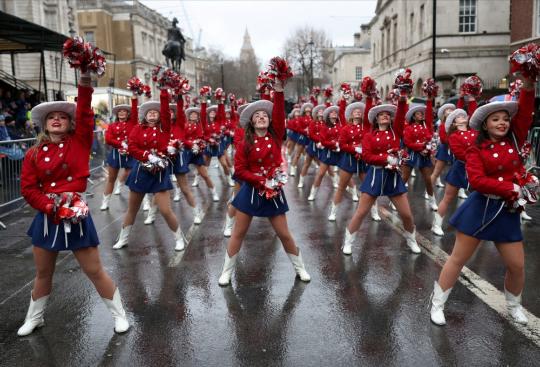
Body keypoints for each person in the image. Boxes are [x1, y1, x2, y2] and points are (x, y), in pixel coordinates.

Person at [18, 71, 129, 336]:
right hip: (48, 216)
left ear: (71, 124)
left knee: (94, 270)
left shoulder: (80, 142)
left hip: (76, 214)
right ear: (44, 125)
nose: (56, 120)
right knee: (43, 273)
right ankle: (35, 318)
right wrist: (48, 206)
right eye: (51, 118)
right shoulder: (33, 153)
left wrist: (86, 80)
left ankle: (119, 315)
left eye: (63, 117)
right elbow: (28, 189)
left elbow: (85, 111)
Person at [430, 76, 535, 326]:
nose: (502, 123)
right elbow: (476, 181)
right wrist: (511, 187)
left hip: (506, 211)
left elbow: (526, 112)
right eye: (496, 119)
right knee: (457, 260)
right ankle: (437, 304)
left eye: (505, 119)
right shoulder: (476, 149)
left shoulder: (514, 140)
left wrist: (529, 83)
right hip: (480, 208)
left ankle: (514, 305)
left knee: (517, 265)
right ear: (485, 125)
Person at [218, 78, 310, 286]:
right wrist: (261, 180)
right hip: (251, 191)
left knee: (284, 234)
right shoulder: (244, 143)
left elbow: (278, 115)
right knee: (238, 234)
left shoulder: (276, 136)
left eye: (264, 116)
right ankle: (226, 272)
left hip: (274, 193)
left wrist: (278, 90)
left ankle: (300, 268)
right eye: (256, 116)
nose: (261, 118)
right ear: (251, 122)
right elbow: (240, 170)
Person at [343, 94, 421, 255]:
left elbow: (400, 115)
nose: (385, 115)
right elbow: (366, 156)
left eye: (387, 114)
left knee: (406, 215)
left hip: (393, 178)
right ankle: (348, 241)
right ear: (376, 119)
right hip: (375, 176)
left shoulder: (396, 132)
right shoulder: (369, 136)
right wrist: (385, 158)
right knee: (361, 212)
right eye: (381, 114)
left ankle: (411, 239)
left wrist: (402, 98)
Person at [113, 88, 185, 251]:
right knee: (132, 209)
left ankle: (179, 238)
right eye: (149, 112)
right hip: (140, 173)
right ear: (144, 116)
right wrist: (147, 156)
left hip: (159, 174)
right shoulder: (137, 129)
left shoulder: (164, 128)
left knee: (166, 210)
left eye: (155, 112)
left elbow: (166, 111)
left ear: (160, 116)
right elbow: (131, 146)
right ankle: (123, 238)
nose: (152, 114)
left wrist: (164, 91)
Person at [431, 108, 477, 236]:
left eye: (464, 115)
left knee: (478, 198)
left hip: (475, 170)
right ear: (453, 123)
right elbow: (460, 153)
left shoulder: (474, 132)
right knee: (448, 198)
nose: (463, 116)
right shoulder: (453, 136)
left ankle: (476, 225)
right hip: (460, 168)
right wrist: (476, 157)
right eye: (459, 116)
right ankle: (437, 224)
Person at [400, 97, 438, 211]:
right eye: (418, 114)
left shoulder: (426, 126)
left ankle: (432, 200)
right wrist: (421, 147)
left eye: (422, 113)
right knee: (404, 178)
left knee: (428, 179)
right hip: (411, 154)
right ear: (413, 116)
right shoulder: (409, 127)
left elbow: (429, 139)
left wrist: (428, 149)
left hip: (424, 156)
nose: (421, 115)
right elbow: (408, 142)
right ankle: (396, 199)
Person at [100, 98, 137, 210]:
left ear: (127, 113)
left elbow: (135, 111)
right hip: (116, 154)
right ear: (117, 114)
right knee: (111, 179)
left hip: (130, 154)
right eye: (119, 111)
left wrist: (134, 98)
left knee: (133, 177)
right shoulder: (112, 126)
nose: (121, 113)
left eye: (124, 111)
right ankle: (105, 202)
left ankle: (141, 202)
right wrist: (121, 143)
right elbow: (108, 139)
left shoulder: (132, 123)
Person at [430, 103, 456, 188]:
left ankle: (460, 191)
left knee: (458, 171)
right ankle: (428, 190)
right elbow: (444, 140)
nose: (449, 111)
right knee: (437, 171)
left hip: (455, 149)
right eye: (447, 110)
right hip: (445, 149)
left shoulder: (456, 124)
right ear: (444, 114)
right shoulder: (442, 125)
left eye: (451, 110)